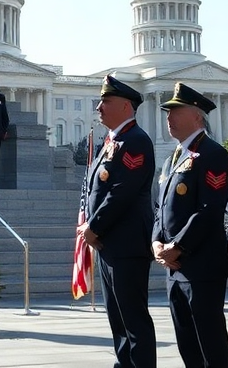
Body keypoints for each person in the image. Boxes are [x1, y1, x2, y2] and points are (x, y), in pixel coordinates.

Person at [77, 75, 156, 368]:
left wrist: (93, 227)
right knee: (117, 319)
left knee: (134, 320)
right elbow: (95, 189)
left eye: (105, 101)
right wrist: (92, 227)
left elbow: (122, 191)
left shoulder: (135, 141)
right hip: (109, 244)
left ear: (125, 106)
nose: (99, 107)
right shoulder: (112, 140)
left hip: (127, 244)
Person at [152, 82, 228, 368]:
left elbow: (209, 209)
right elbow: (160, 209)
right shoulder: (172, 159)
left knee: (208, 340)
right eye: (168, 111)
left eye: (176, 111)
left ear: (197, 115)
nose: (169, 117)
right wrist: (157, 241)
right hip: (175, 267)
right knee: (186, 341)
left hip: (201, 265)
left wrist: (178, 246)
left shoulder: (212, 153)